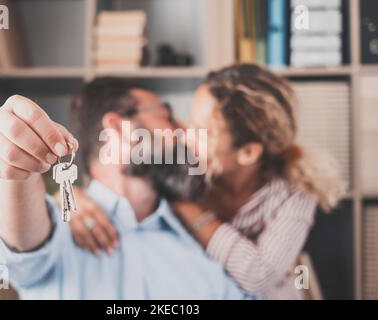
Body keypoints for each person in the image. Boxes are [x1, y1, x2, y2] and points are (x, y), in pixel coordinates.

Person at [69, 64, 343, 299]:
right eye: (190, 121)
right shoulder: (188, 161)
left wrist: (185, 206)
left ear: (247, 153)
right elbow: (116, 177)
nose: (185, 134)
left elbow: (258, 276)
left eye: (203, 131)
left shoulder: (294, 196)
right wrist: (71, 198)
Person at [0, 77, 253, 300]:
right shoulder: (59, 226)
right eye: (166, 116)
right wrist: (13, 172)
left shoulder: (199, 247)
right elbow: (21, 242)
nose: (183, 131)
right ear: (118, 128)